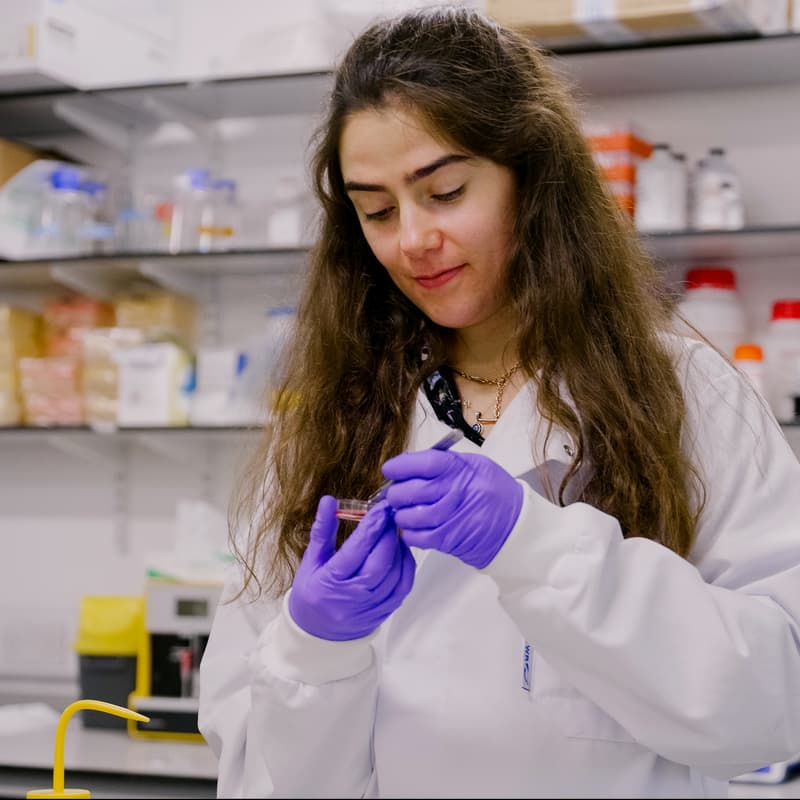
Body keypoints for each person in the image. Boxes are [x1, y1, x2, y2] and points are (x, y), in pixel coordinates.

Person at [197, 6, 800, 798]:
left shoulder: (685, 392)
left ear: (534, 178)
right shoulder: (326, 426)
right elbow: (257, 779)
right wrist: (314, 648)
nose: (411, 239)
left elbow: (772, 704)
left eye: (444, 192)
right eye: (376, 211)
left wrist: (538, 549)